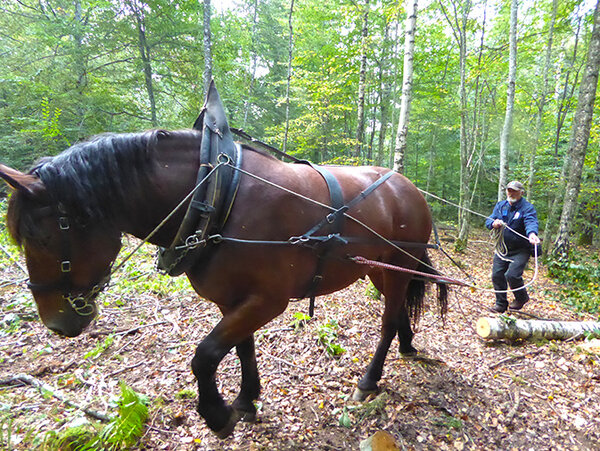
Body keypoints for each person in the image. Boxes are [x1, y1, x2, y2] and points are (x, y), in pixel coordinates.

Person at [485, 180, 541, 313]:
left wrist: (532, 234)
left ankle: (521, 298)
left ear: (521, 192)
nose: (511, 193)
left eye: (515, 191)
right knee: (497, 275)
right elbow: (489, 220)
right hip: (502, 249)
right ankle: (501, 303)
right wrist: (493, 224)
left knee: (512, 275)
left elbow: (531, 221)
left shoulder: (527, 208)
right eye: (509, 190)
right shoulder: (500, 206)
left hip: (521, 249)